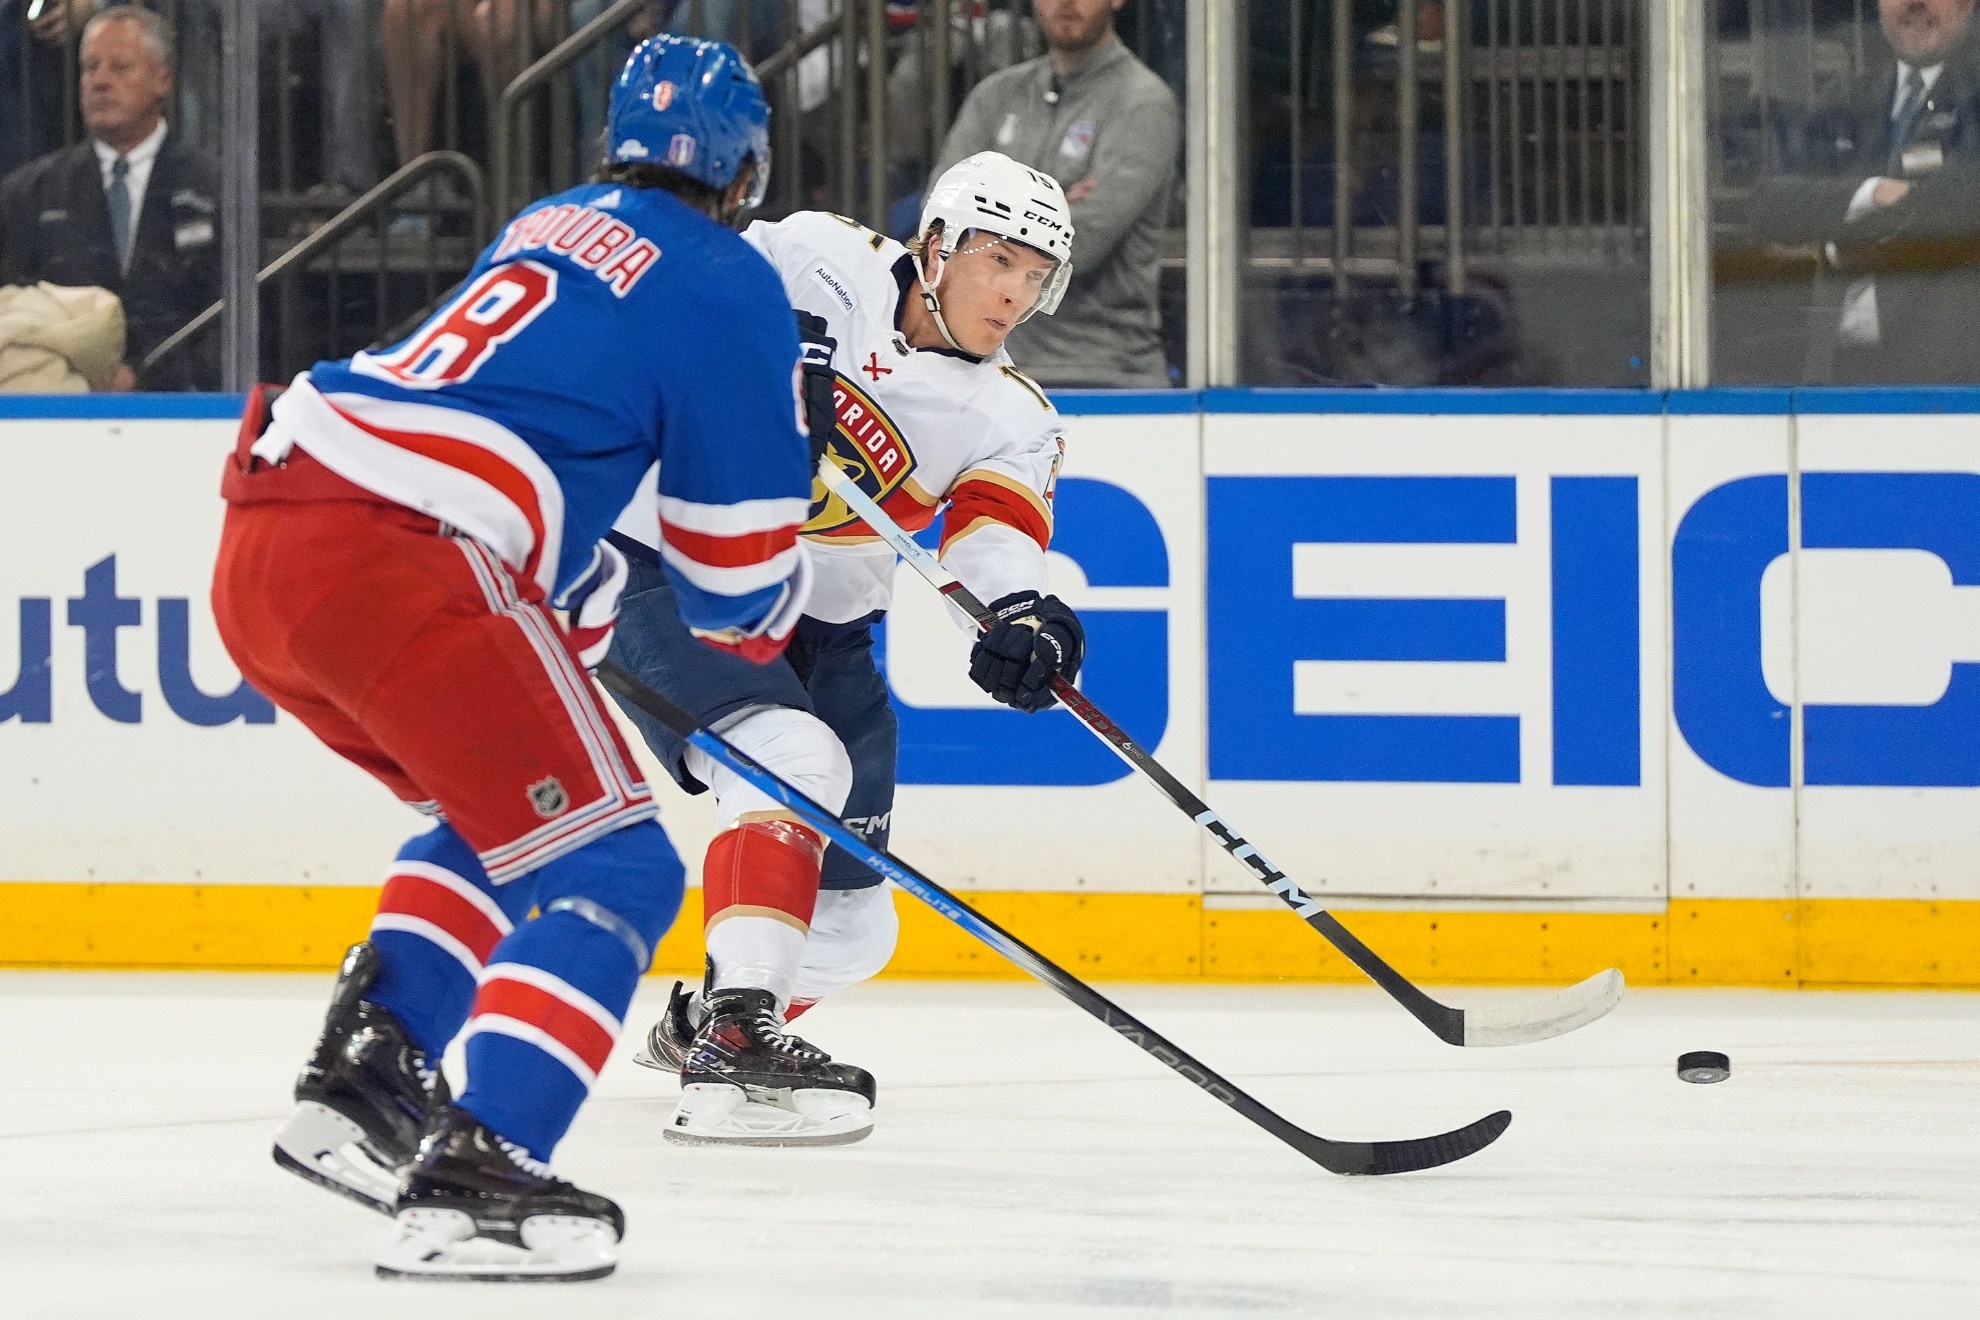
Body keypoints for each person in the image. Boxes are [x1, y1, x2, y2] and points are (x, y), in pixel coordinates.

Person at [215, 36, 814, 1281]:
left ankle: (365, 1087)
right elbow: (738, 590)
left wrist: (591, 593)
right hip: (406, 555)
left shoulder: (548, 220)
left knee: (508, 823)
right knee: (627, 866)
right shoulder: (726, 275)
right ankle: (485, 1166)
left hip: (275, 522)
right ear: (746, 170)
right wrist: (773, 583)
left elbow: (517, 453)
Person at [605, 150, 1085, 1147]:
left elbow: (993, 540)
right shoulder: (817, 258)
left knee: (861, 927)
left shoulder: (1013, 418)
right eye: (1001, 260)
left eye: (1037, 276)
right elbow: (671, 288)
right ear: (940, 245)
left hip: (827, 630)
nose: (1014, 293)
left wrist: (1026, 619)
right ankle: (738, 1044)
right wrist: (750, 363)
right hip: (677, 565)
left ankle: (710, 1019)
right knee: (793, 762)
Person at [931, 0, 1179, 388]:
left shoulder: (1143, 102)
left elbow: (1084, 243)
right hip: (983, 368)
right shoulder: (995, 94)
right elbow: (941, 220)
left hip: (1102, 374)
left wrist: (988, 215)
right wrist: (1059, 203)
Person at [1750, 0, 1980, 383]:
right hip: (1835, 380)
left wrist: (1838, 242)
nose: (1915, 5)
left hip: (1951, 392)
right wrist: (1870, 193)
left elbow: (1959, 204)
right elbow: (1768, 204)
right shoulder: (1847, 96)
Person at [0, 4, 218, 390]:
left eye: (120, 68)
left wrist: (144, 374)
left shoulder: (218, 191)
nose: (99, 81)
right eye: (90, 68)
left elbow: (241, 320)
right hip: (58, 413)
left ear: (162, 80)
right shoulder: (27, 195)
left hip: (188, 412)